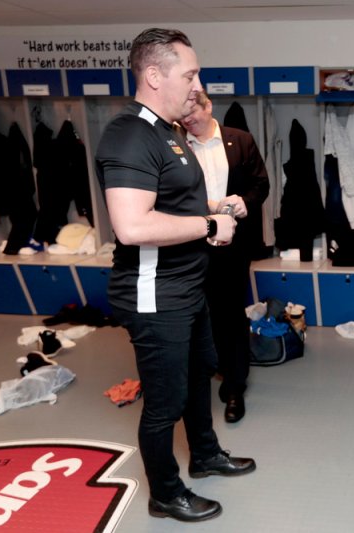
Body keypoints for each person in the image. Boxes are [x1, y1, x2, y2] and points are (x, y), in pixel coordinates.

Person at [95, 28, 255, 522]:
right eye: (189, 74)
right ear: (153, 74)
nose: (196, 83)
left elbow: (169, 200)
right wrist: (209, 224)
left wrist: (215, 205)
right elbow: (131, 225)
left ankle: (204, 455)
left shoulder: (170, 131)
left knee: (198, 376)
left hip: (188, 287)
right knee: (164, 402)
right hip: (154, 294)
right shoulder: (129, 134)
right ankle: (165, 492)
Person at [181, 91, 270, 423]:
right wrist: (211, 207)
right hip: (191, 243)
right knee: (198, 313)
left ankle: (235, 386)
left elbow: (261, 184)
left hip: (234, 244)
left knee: (231, 312)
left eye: (194, 115)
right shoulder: (175, 144)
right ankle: (206, 373)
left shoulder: (240, 140)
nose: (189, 121)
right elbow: (171, 197)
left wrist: (246, 202)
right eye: (183, 117)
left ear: (209, 107)